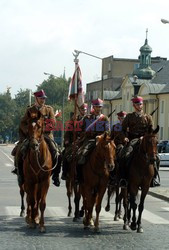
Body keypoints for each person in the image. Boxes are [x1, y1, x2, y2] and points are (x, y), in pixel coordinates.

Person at [11, 89, 60, 187]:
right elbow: (22, 123)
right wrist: (28, 131)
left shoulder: (49, 109)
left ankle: (55, 175)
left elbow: (53, 123)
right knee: (19, 151)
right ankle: (19, 172)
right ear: (36, 98)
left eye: (44, 98)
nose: (43, 100)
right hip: (32, 136)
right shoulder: (30, 110)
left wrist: (42, 130)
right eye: (41, 98)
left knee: (57, 153)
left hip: (46, 136)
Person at [119, 95, 160, 187]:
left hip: (145, 140)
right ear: (134, 105)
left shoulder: (148, 117)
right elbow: (122, 130)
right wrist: (124, 138)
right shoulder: (129, 117)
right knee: (124, 156)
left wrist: (145, 137)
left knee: (157, 158)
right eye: (137, 104)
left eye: (140, 104)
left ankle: (154, 178)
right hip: (132, 139)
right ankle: (123, 178)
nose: (139, 106)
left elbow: (151, 131)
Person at [77, 98, 110, 166]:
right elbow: (82, 130)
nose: (98, 108)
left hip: (101, 140)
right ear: (93, 107)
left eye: (100, 107)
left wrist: (101, 136)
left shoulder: (104, 118)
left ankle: (112, 175)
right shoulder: (87, 118)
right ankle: (79, 174)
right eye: (97, 107)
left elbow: (108, 131)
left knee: (111, 155)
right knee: (82, 154)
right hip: (89, 140)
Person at [61, 103, 88, 180]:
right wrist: (66, 140)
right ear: (79, 110)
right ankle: (64, 172)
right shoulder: (73, 120)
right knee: (65, 154)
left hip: (83, 142)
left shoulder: (89, 120)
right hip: (72, 143)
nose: (83, 111)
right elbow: (67, 133)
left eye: (85, 110)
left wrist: (81, 140)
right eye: (82, 109)